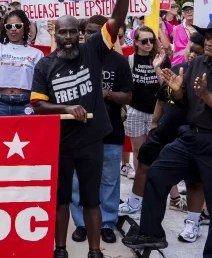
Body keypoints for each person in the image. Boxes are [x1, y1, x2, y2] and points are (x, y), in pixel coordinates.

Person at [30, 0, 131, 258]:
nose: (70, 36)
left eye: (74, 31)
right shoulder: (45, 65)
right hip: (60, 143)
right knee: (61, 201)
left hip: (91, 141)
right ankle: (60, 250)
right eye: (64, 32)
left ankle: (95, 251)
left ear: (81, 33)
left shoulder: (93, 50)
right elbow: (37, 105)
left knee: (91, 200)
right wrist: (66, 107)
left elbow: (117, 17)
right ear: (56, 34)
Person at [122, 21, 212, 254]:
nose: (209, 41)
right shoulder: (195, 64)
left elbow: (204, 98)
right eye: (208, 36)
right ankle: (151, 234)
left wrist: (206, 95)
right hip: (189, 136)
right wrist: (178, 91)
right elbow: (181, 104)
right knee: (157, 172)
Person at [69, 15, 133, 245]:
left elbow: (128, 95)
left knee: (109, 180)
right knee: (77, 180)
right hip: (79, 132)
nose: (93, 36)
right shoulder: (73, 59)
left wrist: (107, 94)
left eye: (99, 31)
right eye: (89, 31)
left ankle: (107, 223)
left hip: (110, 131)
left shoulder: (118, 61)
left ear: (109, 34)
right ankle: (81, 223)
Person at [125, 26, 167, 182]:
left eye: (151, 40)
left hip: (157, 111)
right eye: (144, 41)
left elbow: (165, 86)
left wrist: (157, 67)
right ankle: (140, 184)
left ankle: (157, 182)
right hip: (135, 110)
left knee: (159, 150)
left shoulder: (161, 58)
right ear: (136, 42)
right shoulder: (129, 60)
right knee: (138, 150)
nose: (148, 43)